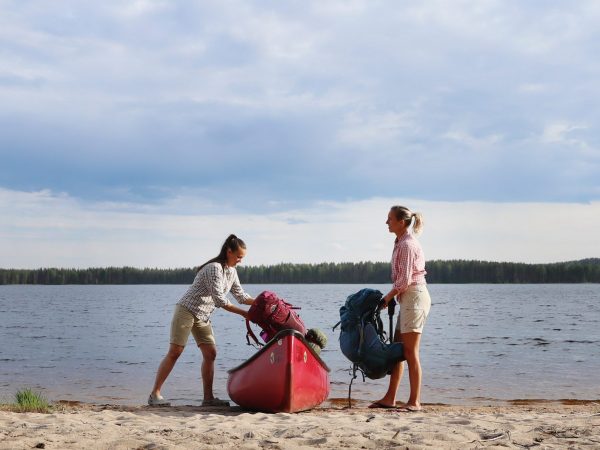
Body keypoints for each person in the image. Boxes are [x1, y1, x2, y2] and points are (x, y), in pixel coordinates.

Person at [148, 234, 255, 407]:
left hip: (203, 316)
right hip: (186, 310)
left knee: (210, 354)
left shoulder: (232, 271)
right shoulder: (214, 268)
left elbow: (241, 296)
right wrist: (244, 314)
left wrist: (264, 302)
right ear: (229, 252)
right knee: (176, 351)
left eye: (242, 258)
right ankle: (155, 394)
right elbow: (220, 300)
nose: (240, 261)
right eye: (239, 257)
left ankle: (208, 399)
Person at [370, 206, 431, 412]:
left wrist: (388, 298)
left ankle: (415, 401)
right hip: (407, 297)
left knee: (410, 352)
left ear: (401, 222)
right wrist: (394, 297)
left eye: (389, 219)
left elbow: (404, 280)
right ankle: (390, 398)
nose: (386, 222)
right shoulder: (399, 242)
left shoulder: (407, 245)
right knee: (398, 350)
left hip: (414, 297)